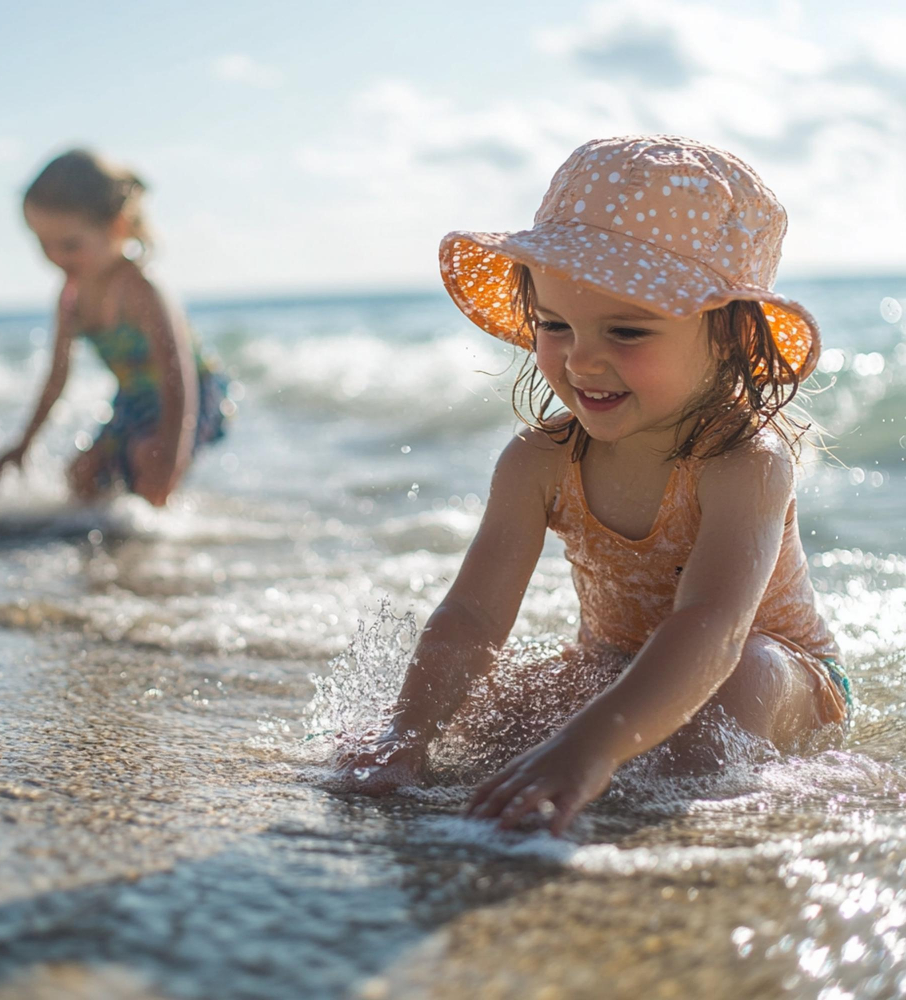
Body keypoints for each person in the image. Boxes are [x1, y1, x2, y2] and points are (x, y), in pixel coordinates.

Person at [334, 135, 851, 835]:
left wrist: (591, 743)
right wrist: (409, 733)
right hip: (614, 667)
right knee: (494, 709)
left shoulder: (743, 461)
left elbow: (714, 627)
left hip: (776, 679)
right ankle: (574, 762)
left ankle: (659, 807)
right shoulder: (538, 460)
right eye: (554, 325)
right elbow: (474, 620)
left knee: (748, 671)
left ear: (730, 336)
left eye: (627, 332)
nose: (582, 358)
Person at [0, 149, 230, 506]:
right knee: (80, 475)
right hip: (132, 401)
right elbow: (57, 377)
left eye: (69, 245)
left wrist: (172, 455)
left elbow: (177, 373)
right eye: (42, 243)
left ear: (116, 227)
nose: (54, 257)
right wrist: (24, 444)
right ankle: (108, 542)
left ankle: (156, 544)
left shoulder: (141, 289)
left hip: (192, 397)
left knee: (150, 460)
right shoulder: (70, 298)